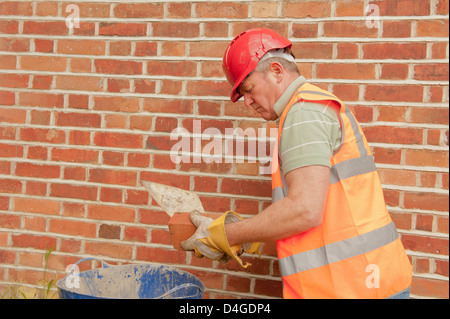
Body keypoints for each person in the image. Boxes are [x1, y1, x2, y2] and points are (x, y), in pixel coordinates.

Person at [181, 28, 412, 299]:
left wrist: (227, 234)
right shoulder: (310, 106)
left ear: (277, 71)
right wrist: (252, 233)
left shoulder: (303, 113)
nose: (247, 102)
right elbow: (319, 205)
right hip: (368, 281)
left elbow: (304, 210)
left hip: (352, 288)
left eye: (249, 89)